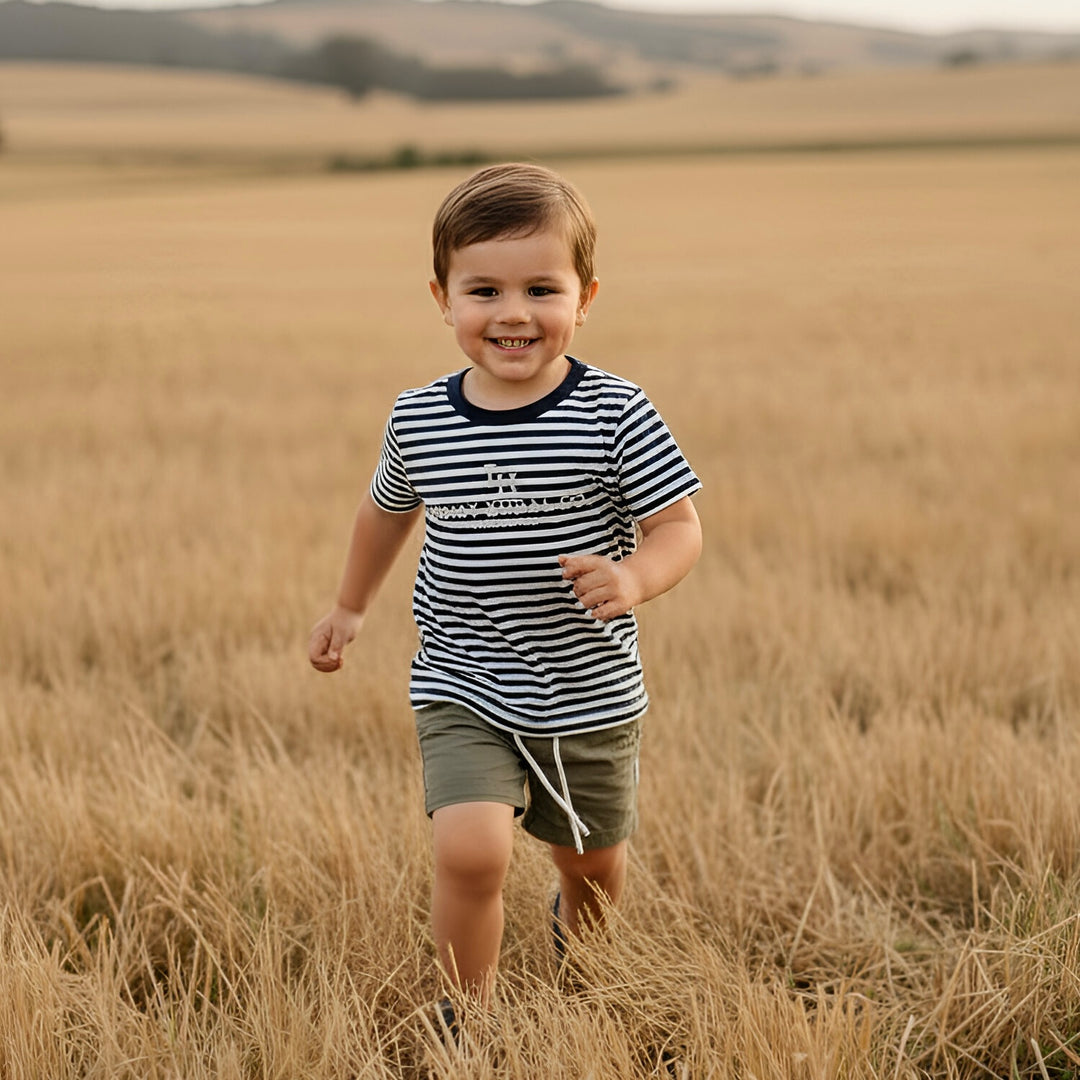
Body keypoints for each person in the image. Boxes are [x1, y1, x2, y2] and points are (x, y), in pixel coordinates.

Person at [308, 163, 702, 1019]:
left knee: (590, 865)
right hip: (464, 678)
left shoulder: (614, 411)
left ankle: (585, 964)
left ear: (585, 297)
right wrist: (350, 606)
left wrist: (632, 576)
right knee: (471, 852)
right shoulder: (418, 416)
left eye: (541, 288)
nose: (513, 313)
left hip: (587, 689)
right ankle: (465, 1016)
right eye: (483, 289)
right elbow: (384, 517)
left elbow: (678, 528)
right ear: (442, 298)